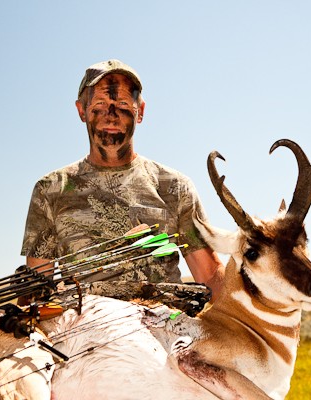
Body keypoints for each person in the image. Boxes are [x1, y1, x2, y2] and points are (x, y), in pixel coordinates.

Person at [20, 59, 224, 299]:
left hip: (166, 328)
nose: (112, 115)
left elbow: (210, 276)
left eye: (123, 104)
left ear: (141, 111)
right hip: (84, 328)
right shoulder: (51, 190)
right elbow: (39, 289)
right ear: (81, 110)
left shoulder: (174, 186)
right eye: (100, 104)